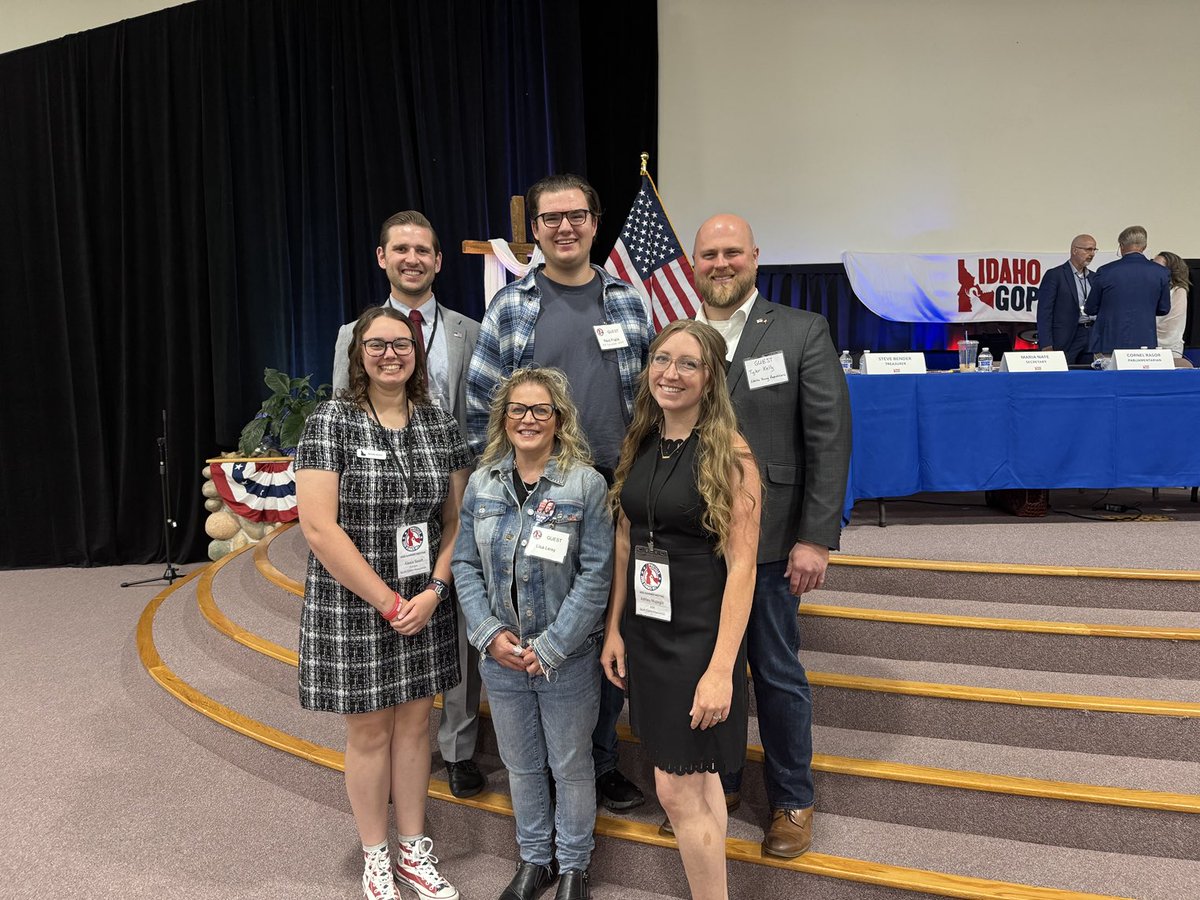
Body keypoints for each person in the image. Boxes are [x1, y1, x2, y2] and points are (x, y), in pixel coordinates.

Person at [465, 173, 653, 812]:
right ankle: (542, 769)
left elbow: (653, 403)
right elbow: (480, 408)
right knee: (543, 622)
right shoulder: (512, 307)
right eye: (551, 218)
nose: (565, 227)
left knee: (606, 628)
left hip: (613, 494)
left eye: (577, 215)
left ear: (595, 223)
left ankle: (596, 764)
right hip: (533, 495)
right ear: (536, 230)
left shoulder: (629, 303)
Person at [297, 306, 472, 900]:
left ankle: (413, 850)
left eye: (401, 343)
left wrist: (434, 592)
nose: (390, 354)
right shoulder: (331, 421)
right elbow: (319, 528)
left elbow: (454, 521)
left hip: (425, 598)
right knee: (370, 731)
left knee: (418, 726)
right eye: (377, 345)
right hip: (355, 600)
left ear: (417, 351)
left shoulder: (437, 423)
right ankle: (376, 855)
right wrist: (388, 600)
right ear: (358, 354)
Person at [692, 214, 851, 859]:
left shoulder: (800, 331)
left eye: (732, 252)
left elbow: (828, 438)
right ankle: (723, 781)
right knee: (709, 667)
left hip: (773, 541)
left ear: (756, 258)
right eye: (709, 255)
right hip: (692, 543)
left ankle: (792, 798)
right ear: (695, 264)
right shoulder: (681, 336)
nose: (720, 264)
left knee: (776, 671)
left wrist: (816, 537)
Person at [601, 320, 761, 900]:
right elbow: (625, 538)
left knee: (675, 789)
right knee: (698, 782)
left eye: (688, 363)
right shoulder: (641, 440)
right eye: (662, 359)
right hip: (646, 630)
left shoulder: (731, 455)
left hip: (699, 635)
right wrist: (616, 626)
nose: (671, 373)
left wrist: (722, 669)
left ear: (711, 377)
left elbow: (743, 567)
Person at [332, 211, 487, 800]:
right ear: (382, 257)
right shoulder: (354, 333)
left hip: (454, 492)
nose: (413, 258)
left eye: (424, 249)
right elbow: (344, 415)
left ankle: (459, 746)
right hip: (381, 506)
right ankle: (400, 745)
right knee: (393, 618)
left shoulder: (469, 332)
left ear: (438, 261)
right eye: (401, 249)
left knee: (455, 617)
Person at [453, 367, 613, 900]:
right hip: (500, 658)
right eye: (518, 410)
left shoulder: (585, 484)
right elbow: (464, 564)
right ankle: (533, 859)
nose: (528, 419)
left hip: (565, 658)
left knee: (570, 765)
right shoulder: (483, 481)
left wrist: (550, 646)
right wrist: (487, 633)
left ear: (559, 419)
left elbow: (596, 576)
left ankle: (573, 867)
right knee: (520, 766)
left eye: (540, 410)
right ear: (503, 418)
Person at [1085, 225, 1171, 357]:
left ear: (1121, 246)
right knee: (1140, 378)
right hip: (1145, 342)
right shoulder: (1161, 272)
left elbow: (1090, 308)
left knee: (1108, 377)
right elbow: (1164, 308)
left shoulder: (1105, 271)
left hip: (1108, 341)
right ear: (1145, 246)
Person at [1036, 234, 1098, 365]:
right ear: (1074, 250)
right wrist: (1046, 345)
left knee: (1088, 377)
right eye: (1088, 249)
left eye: (1094, 250)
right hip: (1065, 338)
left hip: (1090, 336)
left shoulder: (1094, 277)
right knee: (1064, 378)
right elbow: (1044, 312)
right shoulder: (1055, 275)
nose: (1092, 254)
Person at [1152, 250, 1191, 361]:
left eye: (1158, 267)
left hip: (1169, 350)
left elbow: (1169, 327)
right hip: (1149, 349)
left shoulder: (1178, 291)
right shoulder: (1153, 290)